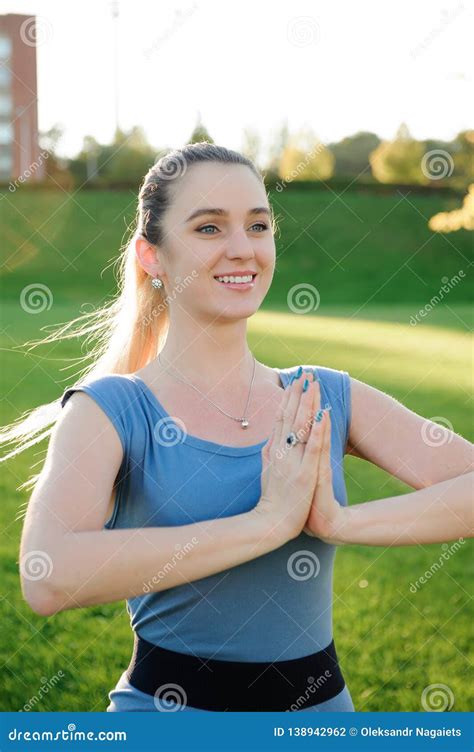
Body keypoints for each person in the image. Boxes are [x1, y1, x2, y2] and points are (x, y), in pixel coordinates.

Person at [4, 143, 472, 712]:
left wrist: (340, 521)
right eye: (208, 228)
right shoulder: (111, 409)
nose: (242, 249)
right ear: (152, 256)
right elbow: (46, 577)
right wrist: (267, 524)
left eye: (258, 225)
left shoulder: (321, 396)